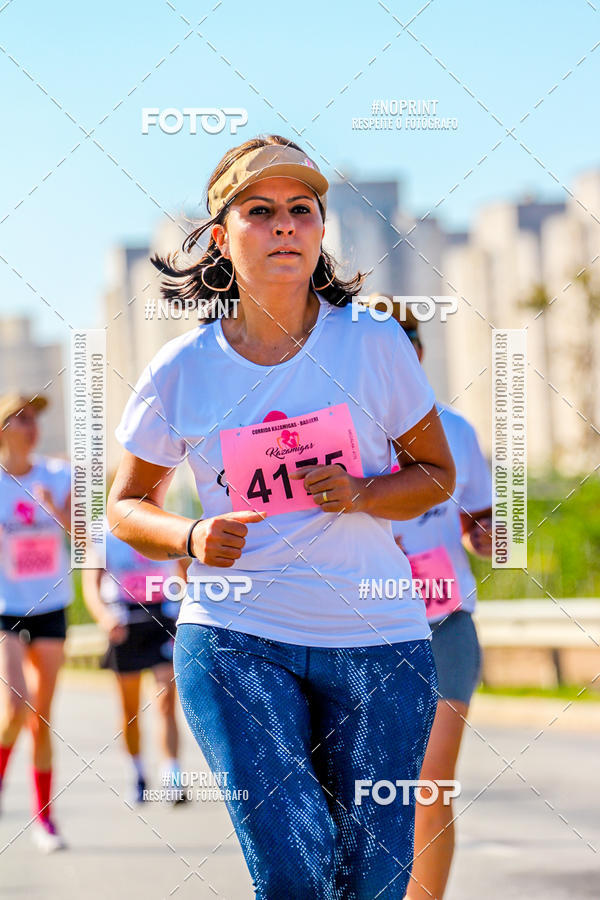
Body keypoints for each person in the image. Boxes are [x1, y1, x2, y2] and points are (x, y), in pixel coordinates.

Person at [107, 135, 456, 899]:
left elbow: (437, 474)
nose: (286, 225)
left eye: (303, 211)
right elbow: (126, 507)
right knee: (294, 875)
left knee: (371, 880)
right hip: (235, 637)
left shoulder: (372, 343)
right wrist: (192, 534)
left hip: (377, 643)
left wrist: (362, 493)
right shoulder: (182, 370)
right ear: (221, 239)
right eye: (260, 212)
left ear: (322, 231)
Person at [369, 297, 492, 900]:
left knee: (431, 784)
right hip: (355, 633)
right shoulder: (335, 434)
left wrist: (494, 535)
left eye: (408, 340)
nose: (399, 352)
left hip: (443, 624)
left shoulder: (458, 431)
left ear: (418, 353)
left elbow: (486, 525)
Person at [0, 392, 71, 852]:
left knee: (41, 718)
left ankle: (43, 820)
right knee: (15, 706)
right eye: (22, 418)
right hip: (6, 608)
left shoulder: (58, 474)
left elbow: (88, 539)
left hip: (51, 606)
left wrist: (58, 512)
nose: (32, 426)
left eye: (35, 419)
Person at [82, 517, 187, 804]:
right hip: (124, 621)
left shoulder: (165, 523)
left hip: (162, 617)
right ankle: (138, 772)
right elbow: (90, 584)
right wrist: (105, 618)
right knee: (129, 709)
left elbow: (186, 572)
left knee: (166, 701)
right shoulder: (104, 534)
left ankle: (172, 778)